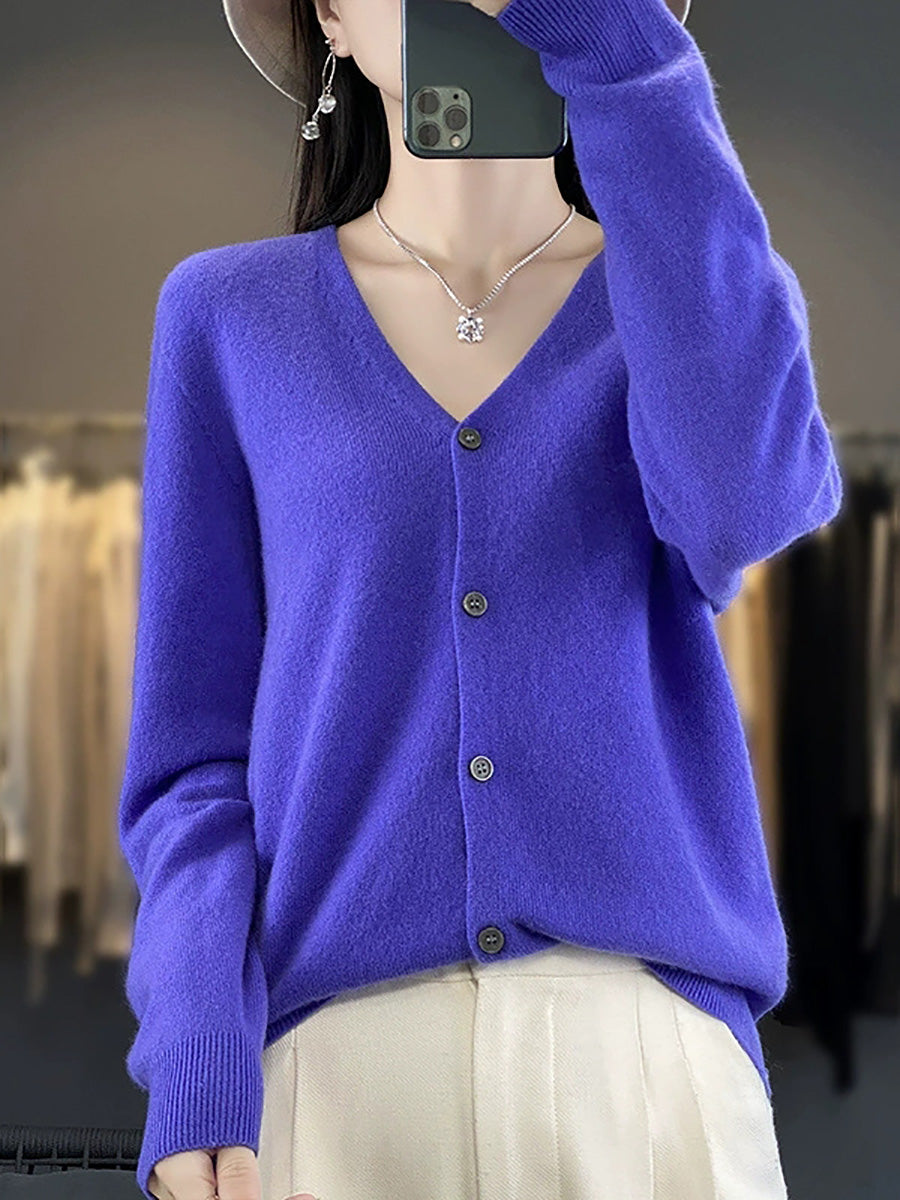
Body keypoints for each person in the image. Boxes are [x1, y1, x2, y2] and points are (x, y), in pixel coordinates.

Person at [118, 0, 843, 1198]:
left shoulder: (680, 300)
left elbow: (745, 506)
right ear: (330, 17)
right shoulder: (228, 318)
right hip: (335, 1078)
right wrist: (199, 1048)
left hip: (645, 1064)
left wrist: (624, 56)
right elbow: (194, 762)